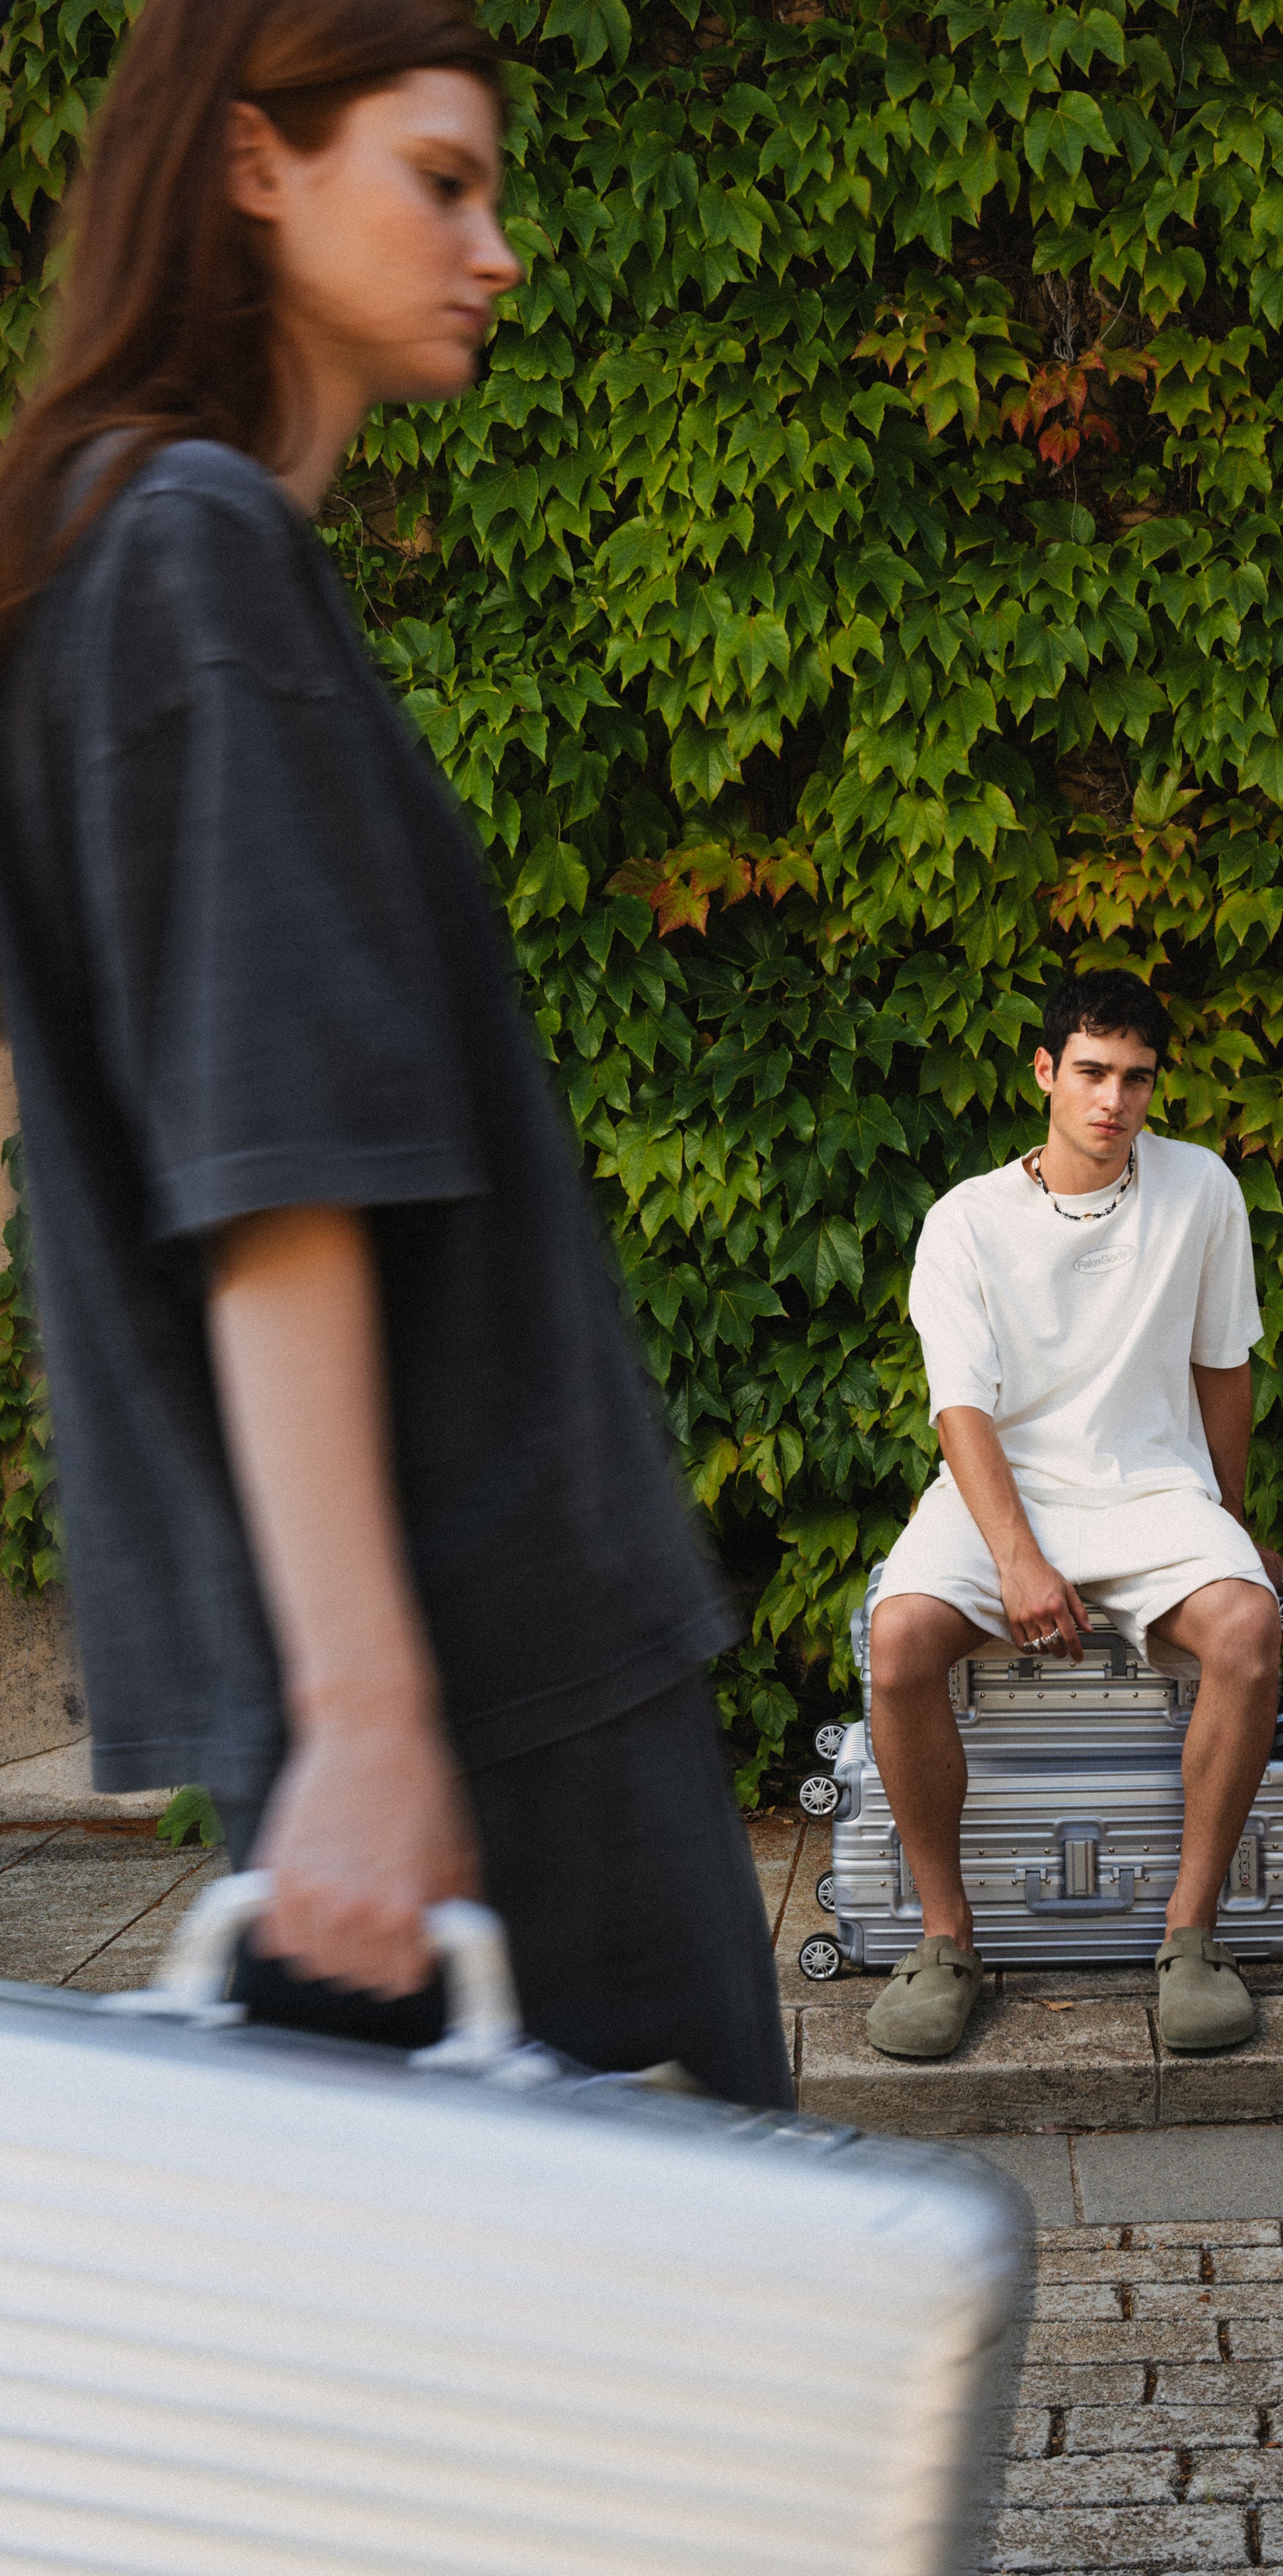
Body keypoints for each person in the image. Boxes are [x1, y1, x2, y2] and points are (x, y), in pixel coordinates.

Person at [0, 0, 791, 2105]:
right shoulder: (188, 553)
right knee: (679, 2381)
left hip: (422, 1688)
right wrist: (368, 1722)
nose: (497, 244)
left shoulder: (114, 549)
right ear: (254, 162)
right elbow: (271, 1179)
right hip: (481, 1683)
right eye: (440, 180)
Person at [862, 974, 1283, 2062]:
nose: (1114, 1100)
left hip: (1151, 1489)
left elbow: (1222, 1369)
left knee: (1247, 1626)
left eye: (1136, 1078)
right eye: (1091, 1072)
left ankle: (1191, 1937)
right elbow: (960, 1408)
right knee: (901, 1638)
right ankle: (945, 1941)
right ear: (1046, 1072)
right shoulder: (966, 1219)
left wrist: (1233, 1525)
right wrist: (1016, 1556)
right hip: (998, 1486)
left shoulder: (1203, 1191)